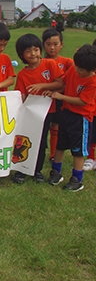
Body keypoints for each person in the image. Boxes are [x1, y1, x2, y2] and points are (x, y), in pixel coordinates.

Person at [11, 34, 63, 184]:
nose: (33, 54)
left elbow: (60, 83)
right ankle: (21, 170)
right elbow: (21, 95)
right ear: (22, 55)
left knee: (41, 142)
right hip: (30, 114)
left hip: (47, 111)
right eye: (28, 51)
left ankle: (37, 170)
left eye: (36, 50)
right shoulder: (22, 74)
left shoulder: (50, 65)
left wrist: (43, 86)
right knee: (24, 140)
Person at [45, 45, 96, 192]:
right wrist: (54, 91)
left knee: (77, 150)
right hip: (66, 113)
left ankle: (77, 179)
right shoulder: (73, 69)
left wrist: (61, 96)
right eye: (77, 66)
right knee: (60, 145)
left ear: (92, 69)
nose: (78, 70)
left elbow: (82, 101)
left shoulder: (92, 82)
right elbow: (64, 84)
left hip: (81, 119)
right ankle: (56, 172)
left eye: (82, 69)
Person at [42, 28, 73, 159]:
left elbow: (70, 82)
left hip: (59, 99)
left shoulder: (67, 62)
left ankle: (54, 154)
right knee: (43, 126)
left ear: (61, 44)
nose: (52, 48)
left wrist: (57, 92)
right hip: (43, 100)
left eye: (55, 44)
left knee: (56, 125)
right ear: (43, 45)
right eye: (48, 44)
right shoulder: (41, 61)